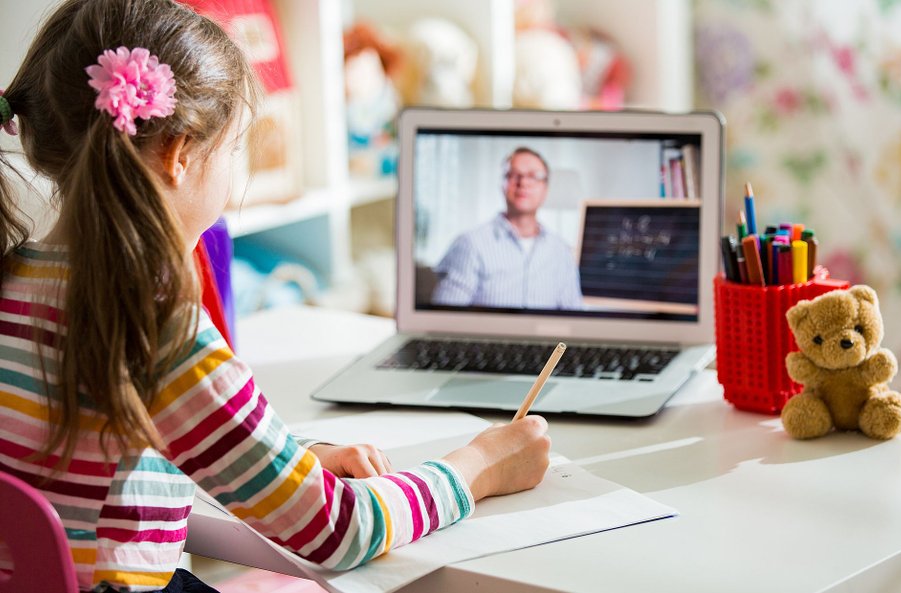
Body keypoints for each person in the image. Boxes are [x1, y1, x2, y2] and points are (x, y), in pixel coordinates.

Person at [0, 1, 551, 592]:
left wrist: (292, 459)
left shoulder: (13, 279)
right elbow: (340, 531)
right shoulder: (153, 326)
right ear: (180, 152)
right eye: (236, 147)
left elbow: (129, 441)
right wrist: (479, 467)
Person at [431, 146, 584, 309]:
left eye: (534, 176)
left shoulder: (561, 251)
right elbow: (444, 318)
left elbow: (572, 318)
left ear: (545, 188)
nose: (523, 183)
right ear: (502, 184)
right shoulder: (470, 244)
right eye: (514, 175)